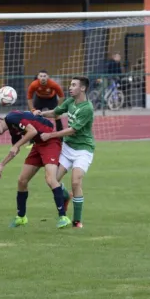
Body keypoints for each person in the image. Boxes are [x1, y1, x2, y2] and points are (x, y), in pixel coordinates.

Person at [0, 110, 71, 229]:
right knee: (22, 181)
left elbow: (32, 131)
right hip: (38, 145)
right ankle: (21, 217)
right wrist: (2, 164)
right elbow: (15, 150)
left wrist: (17, 145)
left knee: (50, 179)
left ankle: (63, 217)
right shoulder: (12, 129)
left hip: (50, 141)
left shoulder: (11, 117)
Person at [35, 76, 95, 228]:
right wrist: (40, 114)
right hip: (68, 149)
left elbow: (73, 130)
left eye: (74, 85)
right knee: (51, 179)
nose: (70, 87)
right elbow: (56, 112)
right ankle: (66, 196)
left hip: (83, 150)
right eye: (70, 84)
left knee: (76, 182)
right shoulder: (69, 102)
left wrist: (51, 135)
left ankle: (77, 220)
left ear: (82, 88)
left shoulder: (87, 108)